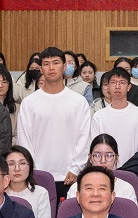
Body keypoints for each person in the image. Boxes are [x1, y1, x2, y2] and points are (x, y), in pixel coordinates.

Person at [16, 47, 94, 196]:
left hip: (70, 176)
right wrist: (33, 170)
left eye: (56, 63)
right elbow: (24, 140)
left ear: (64, 67)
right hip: (38, 176)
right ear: (40, 69)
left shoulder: (78, 102)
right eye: (46, 64)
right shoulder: (29, 102)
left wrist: (75, 168)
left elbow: (85, 138)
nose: (51, 68)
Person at [92, 67, 138, 179]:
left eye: (122, 83)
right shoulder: (99, 116)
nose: (117, 86)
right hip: (105, 174)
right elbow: (95, 149)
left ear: (129, 87)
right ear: (108, 87)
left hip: (134, 174)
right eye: (113, 83)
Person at [63, 134, 138, 203]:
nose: (103, 161)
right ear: (90, 158)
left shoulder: (126, 189)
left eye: (109, 155)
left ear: (116, 158)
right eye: (97, 155)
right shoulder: (76, 188)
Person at [5, 145, 54, 218]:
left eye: (22, 163)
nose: (17, 169)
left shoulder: (41, 193)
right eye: (11, 164)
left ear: (30, 166)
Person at [0, 65, 19, 138]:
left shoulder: (17, 108)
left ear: (9, 85)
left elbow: (18, 135)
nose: (0, 85)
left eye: (4, 82)